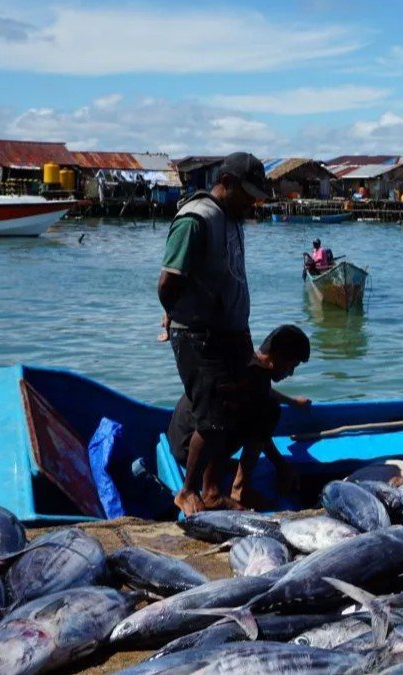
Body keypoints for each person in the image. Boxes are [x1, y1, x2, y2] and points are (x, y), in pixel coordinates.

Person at [158, 151, 268, 516]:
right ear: (228, 183)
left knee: (241, 405)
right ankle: (188, 491)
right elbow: (168, 281)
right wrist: (175, 314)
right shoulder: (196, 219)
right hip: (199, 335)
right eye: (248, 194)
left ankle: (215, 488)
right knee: (213, 414)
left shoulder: (231, 217)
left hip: (230, 332)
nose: (253, 203)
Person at [167, 324, 313, 510]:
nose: (291, 373)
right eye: (291, 365)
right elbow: (257, 428)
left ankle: (232, 481)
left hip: (178, 437)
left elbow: (264, 392)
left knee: (262, 410)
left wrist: (293, 401)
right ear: (275, 357)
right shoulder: (253, 380)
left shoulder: (247, 362)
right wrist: (281, 465)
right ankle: (223, 491)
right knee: (269, 412)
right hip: (192, 449)